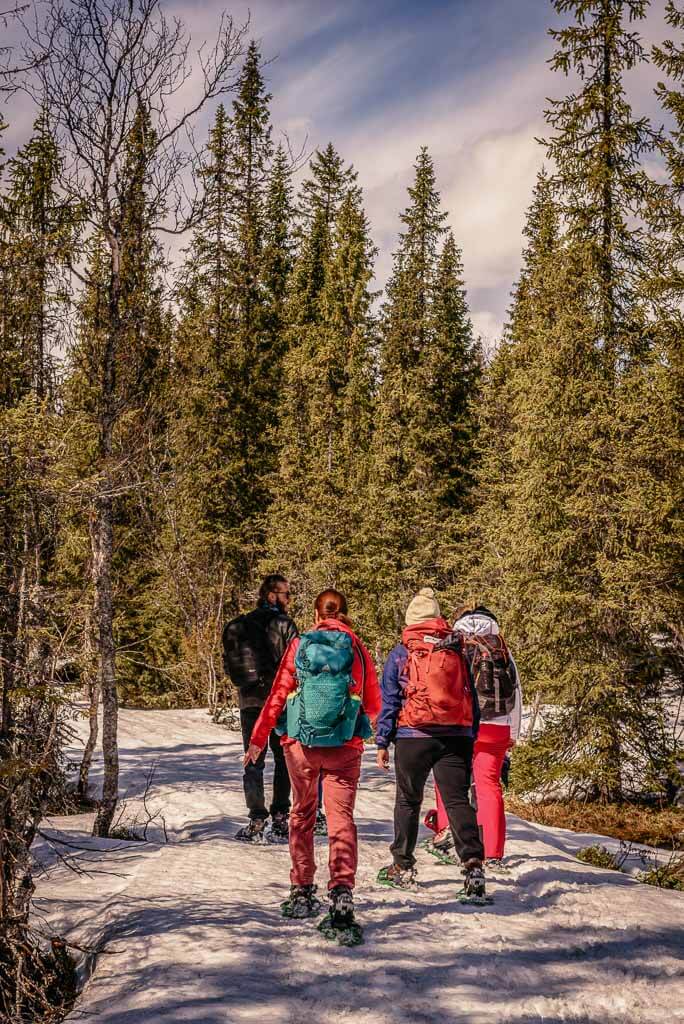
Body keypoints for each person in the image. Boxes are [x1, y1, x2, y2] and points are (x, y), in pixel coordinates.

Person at [244, 589, 380, 943]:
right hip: (344, 747)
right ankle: (342, 891)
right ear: (344, 612)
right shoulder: (356, 647)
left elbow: (278, 694)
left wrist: (258, 738)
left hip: (301, 747)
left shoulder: (300, 644)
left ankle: (302, 888)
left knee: (302, 815)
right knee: (340, 819)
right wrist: (370, 731)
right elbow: (373, 702)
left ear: (317, 614)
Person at [375, 587, 487, 902]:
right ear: (438, 618)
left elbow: (390, 700)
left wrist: (383, 740)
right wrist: (471, 735)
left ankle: (402, 865)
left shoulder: (402, 652)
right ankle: (473, 864)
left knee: (408, 801)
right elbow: (470, 697)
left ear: (410, 620)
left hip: (414, 736)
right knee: (457, 801)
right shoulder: (455, 648)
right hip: (456, 735)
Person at [426, 605, 522, 867]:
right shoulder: (501, 647)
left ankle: (447, 834)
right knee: (489, 786)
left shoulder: (455, 644)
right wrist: (513, 733)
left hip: (461, 724)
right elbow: (516, 692)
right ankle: (492, 853)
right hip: (497, 728)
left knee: (449, 782)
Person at [223, 574, 298, 843]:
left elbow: (229, 665)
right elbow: (297, 662)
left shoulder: (240, 625)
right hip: (281, 702)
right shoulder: (285, 624)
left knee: (253, 759)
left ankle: (256, 818)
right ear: (272, 595)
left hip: (250, 699)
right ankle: (280, 817)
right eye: (286, 594)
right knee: (283, 759)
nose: (289, 599)